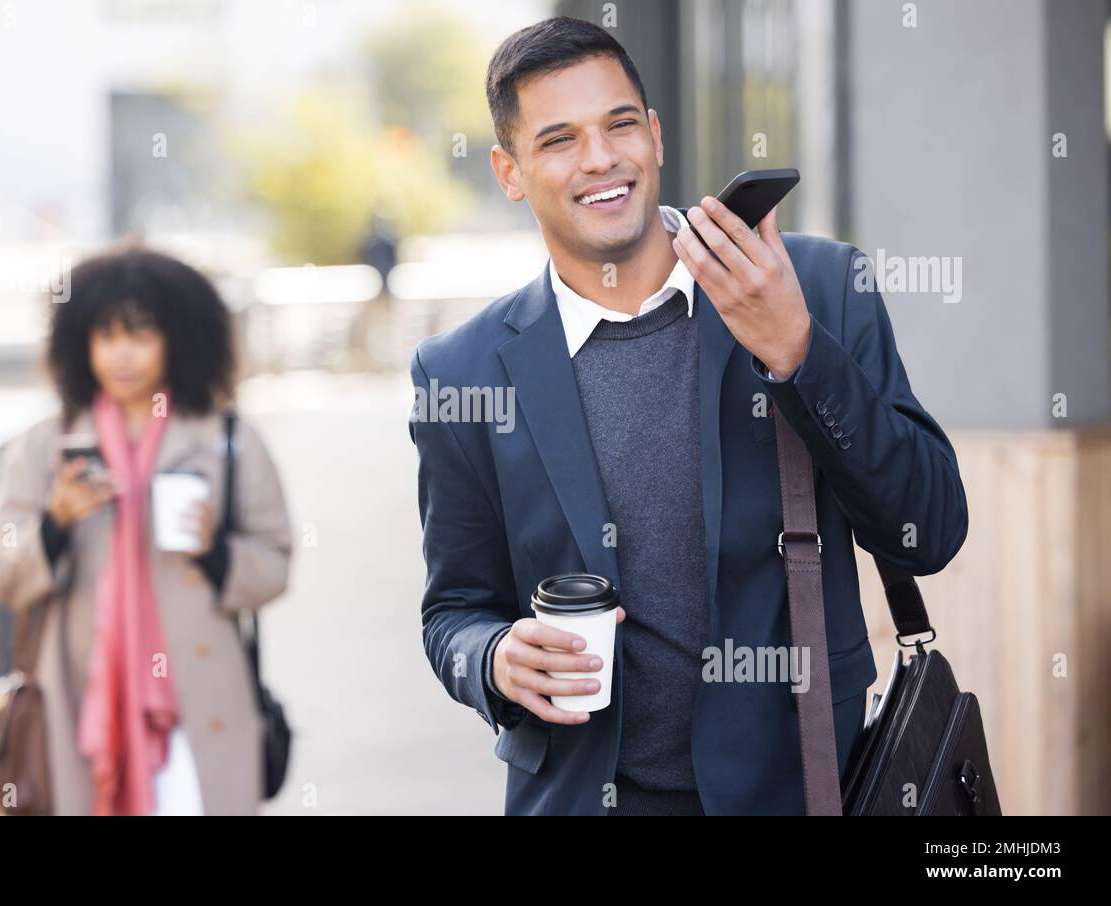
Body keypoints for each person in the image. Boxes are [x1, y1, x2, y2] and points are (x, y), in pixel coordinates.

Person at [408, 17, 968, 815]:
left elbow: (930, 528)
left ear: (657, 138)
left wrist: (797, 352)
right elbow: (453, 611)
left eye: (620, 124)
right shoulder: (459, 372)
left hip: (802, 787)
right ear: (509, 171)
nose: (601, 158)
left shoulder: (813, 284)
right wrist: (493, 658)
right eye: (560, 139)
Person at [0, 246, 293, 815]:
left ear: (178, 340)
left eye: (141, 335)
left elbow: (275, 563)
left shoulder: (228, 439)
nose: (121, 356)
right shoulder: (45, 445)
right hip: (79, 699)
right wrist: (55, 523)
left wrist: (215, 551)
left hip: (199, 700)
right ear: (80, 344)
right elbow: (0, 573)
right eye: (105, 336)